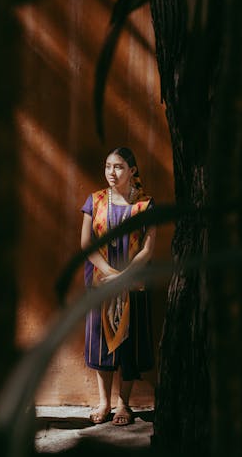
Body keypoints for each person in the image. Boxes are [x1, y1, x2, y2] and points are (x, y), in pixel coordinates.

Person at [80, 147, 156, 426]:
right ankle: (104, 403)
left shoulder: (145, 205)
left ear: (132, 170)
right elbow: (87, 244)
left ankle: (124, 403)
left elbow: (147, 249)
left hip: (133, 283)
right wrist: (110, 273)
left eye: (119, 167)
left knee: (129, 343)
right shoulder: (95, 201)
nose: (112, 172)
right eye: (108, 166)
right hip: (101, 282)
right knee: (101, 344)